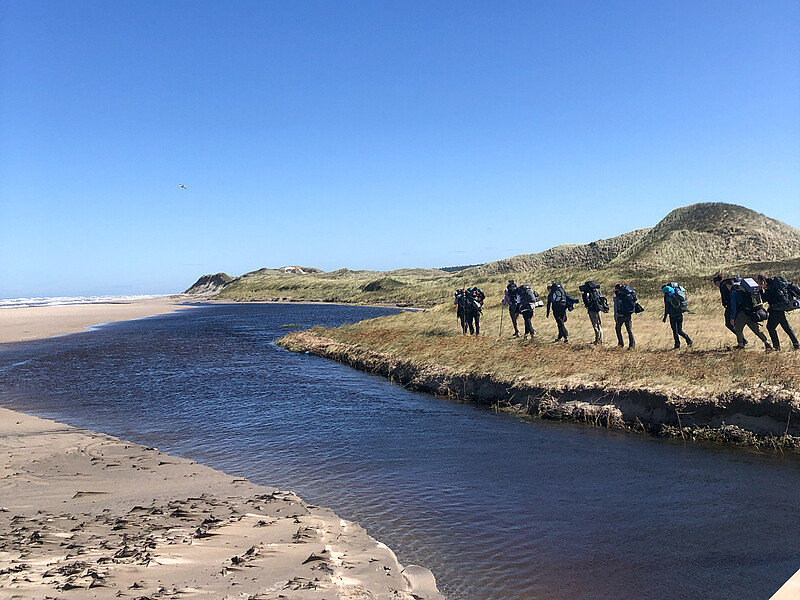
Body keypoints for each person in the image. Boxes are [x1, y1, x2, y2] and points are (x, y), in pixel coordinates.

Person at [727, 278, 771, 350]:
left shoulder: (734, 290)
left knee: (738, 329)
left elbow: (734, 305)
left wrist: (732, 317)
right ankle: (767, 342)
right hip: (752, 312)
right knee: (756, 330)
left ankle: (741, 345)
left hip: (743, 313)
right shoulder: (747, 290)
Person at [758, 274, 800, 351]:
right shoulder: (776, 284)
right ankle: (796, 344)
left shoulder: (770, 288)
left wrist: (760, 290)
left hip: (775, 310)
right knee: (786, 327)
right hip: (780, 309)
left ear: (762, 281)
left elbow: (764, 299)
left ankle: (776, 346)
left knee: (770, 327)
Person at [713, 274, 746, 344]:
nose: (716, 285)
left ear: (717, 282)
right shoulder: (728, 283)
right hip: (738, 305)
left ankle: (742, 340)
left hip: (731, 306)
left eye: (715, 283)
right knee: (736, 324)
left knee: (729, 324)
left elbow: (724, 298)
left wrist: (724, 304)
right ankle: (741, 340)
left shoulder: (723, 286)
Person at [661, 282, 693, 349]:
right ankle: (688, 339)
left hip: (673, 315)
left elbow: (667, 307)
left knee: (675, 331)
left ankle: (677, 345)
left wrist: (665, 317)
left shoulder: (667, 296)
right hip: (680, 313)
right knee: (679, 330)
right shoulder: (677, 293)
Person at [579, 281, 607, 345]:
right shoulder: (597, 292)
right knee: (599, 325)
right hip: (598, 309)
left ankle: (597, 340)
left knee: (595, 326)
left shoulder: (587, 294)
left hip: (592, 311)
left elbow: (587, 303)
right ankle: (601, 340)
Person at [613, 284, 636, 349]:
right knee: (629, 330)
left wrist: (615, 317)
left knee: (618, 329)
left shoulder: (618, 296)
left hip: (621, 315)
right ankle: (632, 345)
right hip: (628, 315)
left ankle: (620, 344)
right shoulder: (628, 294)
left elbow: (616, 307)